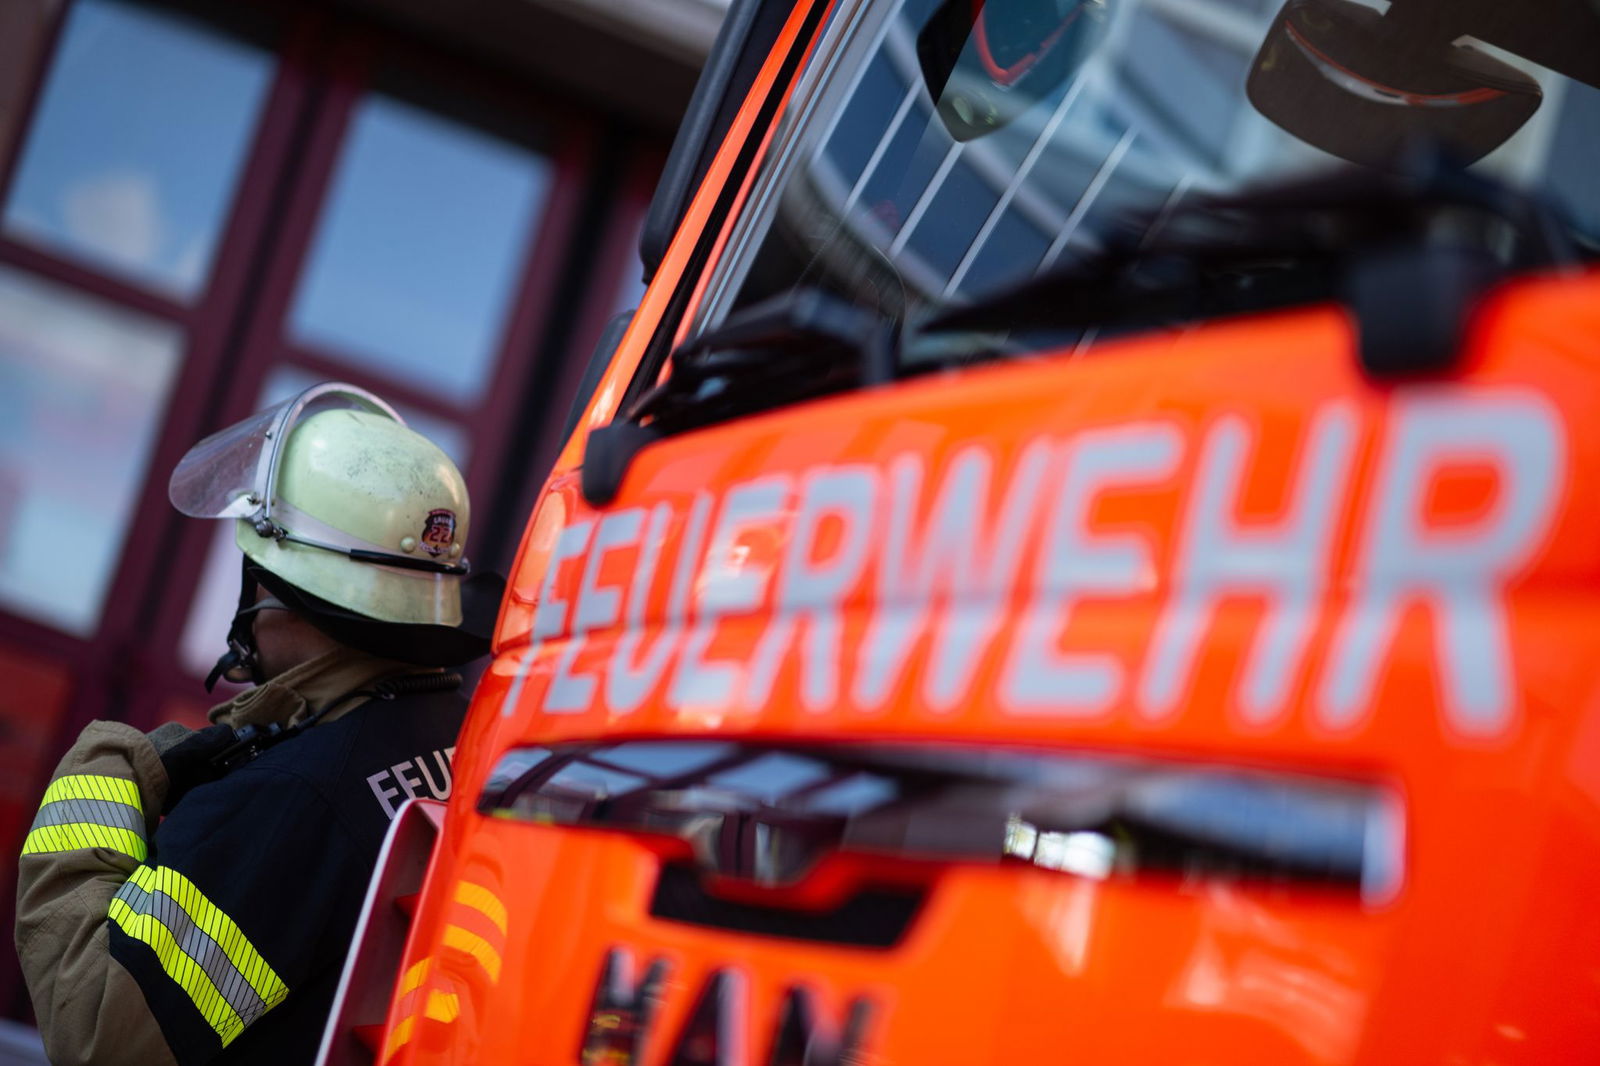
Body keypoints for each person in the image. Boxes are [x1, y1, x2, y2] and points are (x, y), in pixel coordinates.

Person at [14, 383, 504, 1065]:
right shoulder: (462, 733)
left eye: (256, 572)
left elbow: (96, 1035)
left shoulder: (288, 800)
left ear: (289, 593)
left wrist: (104, 766)